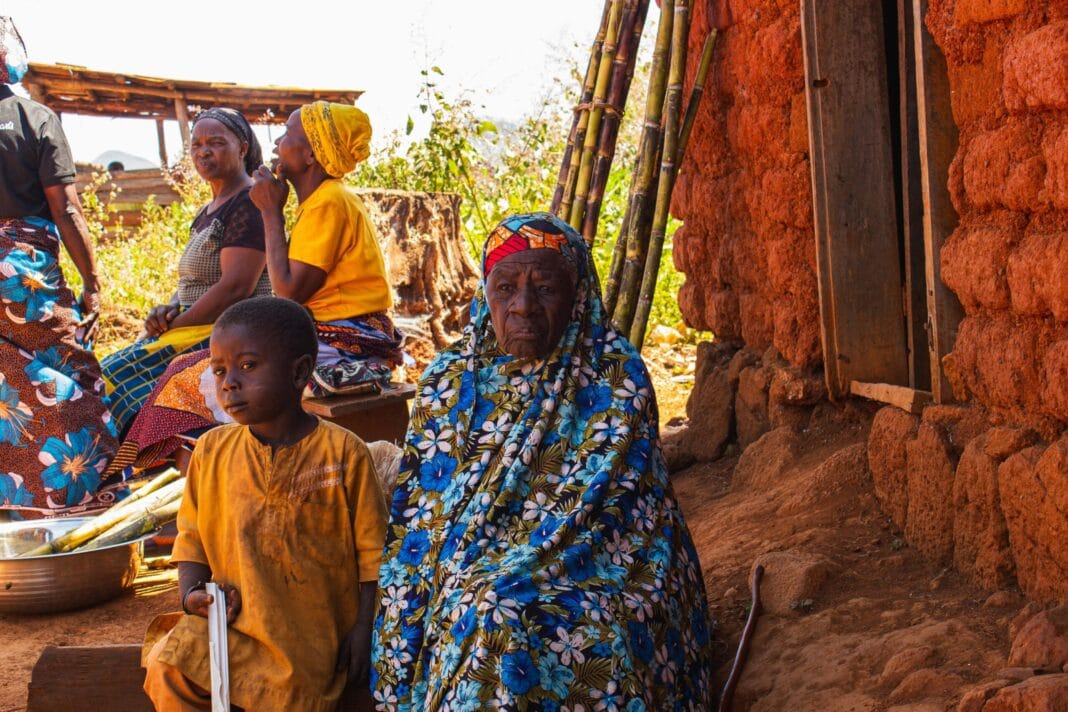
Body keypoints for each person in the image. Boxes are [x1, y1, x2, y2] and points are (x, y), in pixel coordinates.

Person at [372, 213, 715, 709]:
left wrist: (516, 569)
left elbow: (618, 512)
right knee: (473, 603)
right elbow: (423, 514)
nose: (523, 307)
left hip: (597, 562)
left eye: (545, 289)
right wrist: (473, 565)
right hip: (468, 563)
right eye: (505, 287)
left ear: (576, 297)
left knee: (502, 610)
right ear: (484, 293)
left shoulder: (613, 374)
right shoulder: (450, 381)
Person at [105, 102, 403, 477]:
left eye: (288, 135)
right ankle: (213, 474)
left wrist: (269, 212)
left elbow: (289, 292)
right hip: (330, 331)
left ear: (311, 154)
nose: (277, 143)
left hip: (347, 338)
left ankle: (224, 473)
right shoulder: (320, 203)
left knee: (193, 378)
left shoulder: (330, 203)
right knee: (193, 373)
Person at [142, 296, 387, 711]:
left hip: (306, 639)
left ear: (298, 372)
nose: (229, 383)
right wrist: (191, 597)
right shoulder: (211, 451)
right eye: (219, 370)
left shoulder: (343, 453)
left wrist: (364, 629)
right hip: (231, 627)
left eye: (248, 366)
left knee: (288, 695)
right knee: (170, 666)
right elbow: (192, 539)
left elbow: (373, 555)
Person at [0, 17, 120, 518]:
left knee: (10, 388)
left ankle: (17, 507)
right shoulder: (35, 118)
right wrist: (92, 283)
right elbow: (66, 209)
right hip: (23, 279)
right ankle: (82, 506)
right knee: (73, 378)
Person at [101, 107, 271, 438]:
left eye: (216, 142)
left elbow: (235, 287)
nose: (203, 151)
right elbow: (191, 282)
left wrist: (175, 325)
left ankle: (128, 464)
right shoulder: (208, 211)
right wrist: (168, 309)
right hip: (193, 324)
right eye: (196, 144)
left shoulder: (249, 202)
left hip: (228, 330)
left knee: (116, 379)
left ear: (243, 148)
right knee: (104, 375)